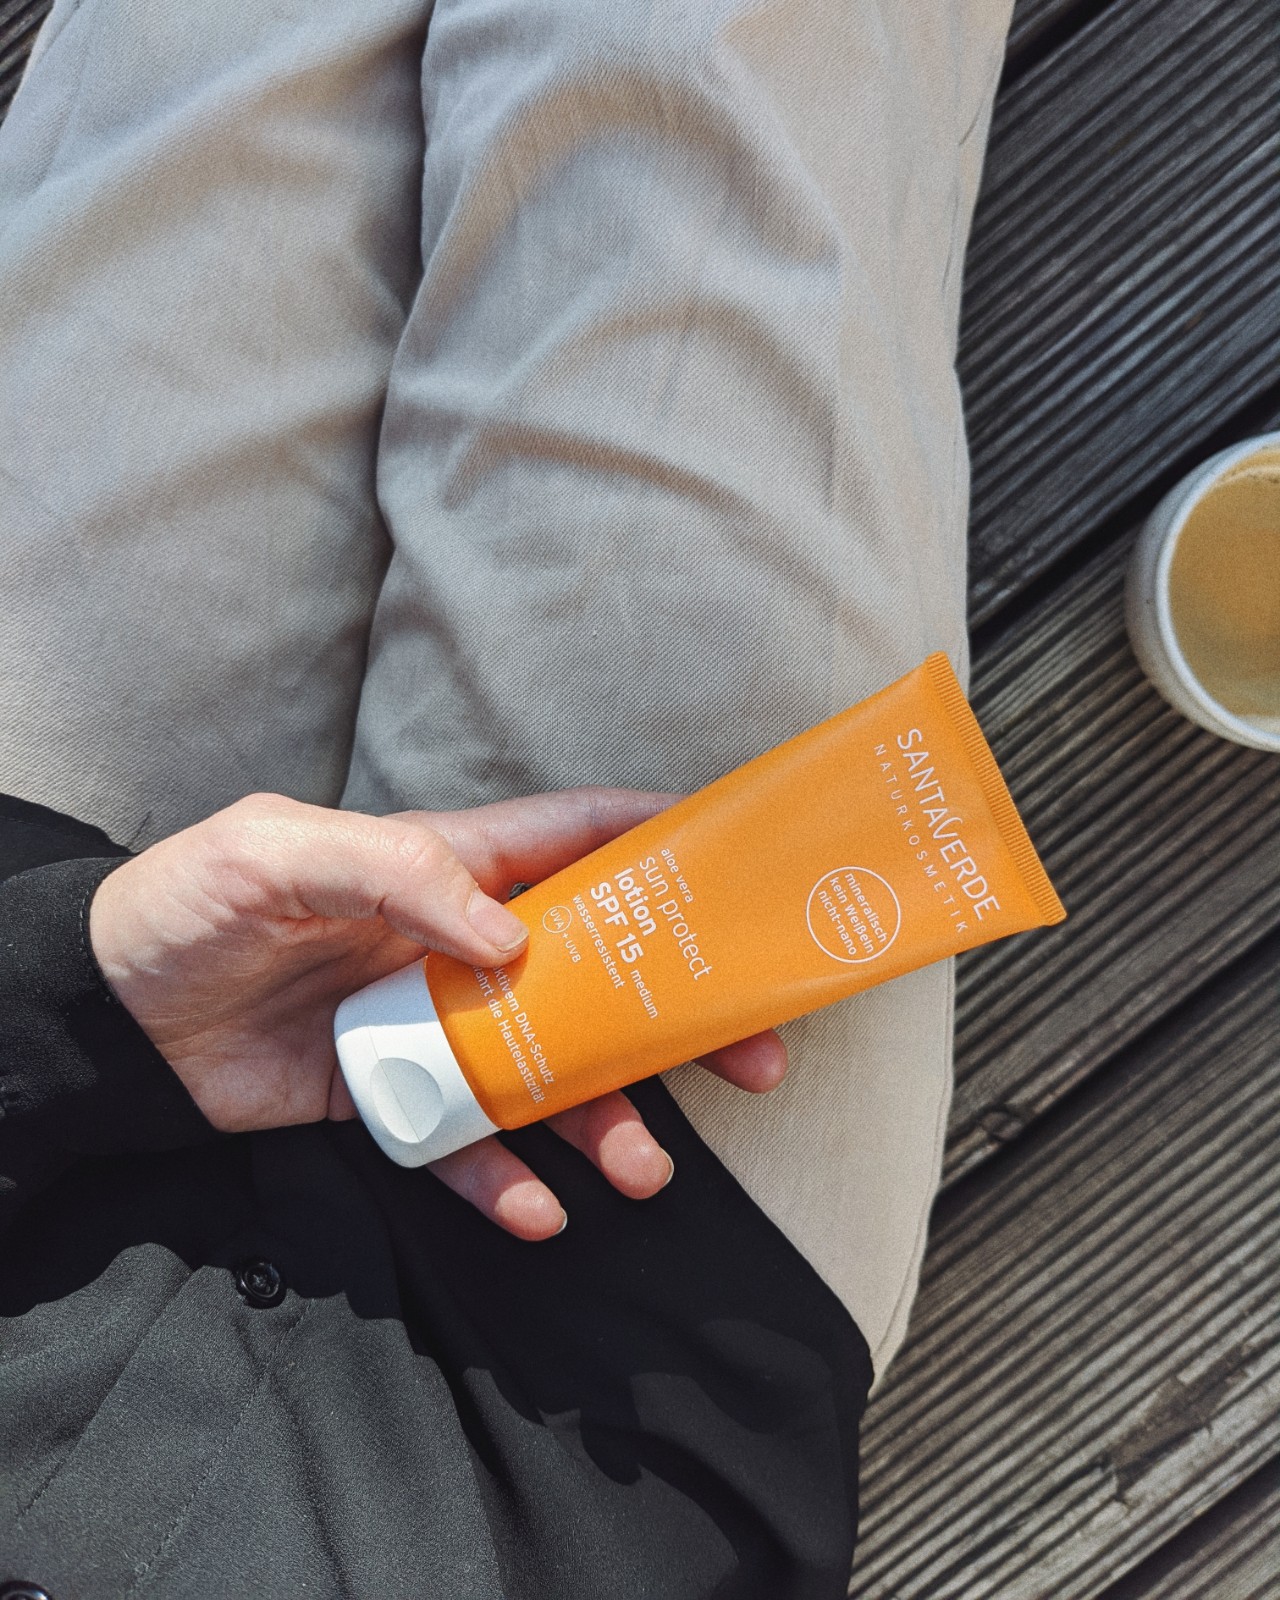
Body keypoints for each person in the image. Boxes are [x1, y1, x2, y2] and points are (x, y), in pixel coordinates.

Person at [0, 0, 1014, 1593]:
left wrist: (68, 999)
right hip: (603, 1369)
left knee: (208, 59)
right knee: (714, 93)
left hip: (34, 926)